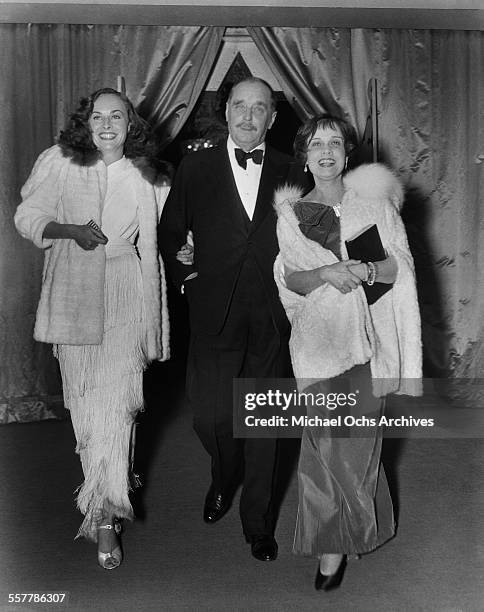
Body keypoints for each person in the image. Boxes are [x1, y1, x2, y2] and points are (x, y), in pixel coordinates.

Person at [14, 87, 170, 570]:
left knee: (120, 404)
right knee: (85, 406)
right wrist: (72, 230)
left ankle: (104, 516)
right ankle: (107, 493)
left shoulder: (152, 177)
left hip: (127, 288)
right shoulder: (60, 161)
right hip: (75, 292)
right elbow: (27, 217)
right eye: (98, 116)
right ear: (87, 122)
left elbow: (163, 236)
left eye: (116, 117)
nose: (106, 125)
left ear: (130, 125)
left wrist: (184, 253)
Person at [273, 114, 422, 589]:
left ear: (346, 153)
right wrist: (323, 275)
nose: (326, 152)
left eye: (335, 143)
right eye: (316, 144)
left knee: (357, 449)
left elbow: (400, 266)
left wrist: (362, 271)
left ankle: (348, 532)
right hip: (316, 345)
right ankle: (333, 545)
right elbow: (289, 280)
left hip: (369, 343)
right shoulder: (291, 216)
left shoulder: (375, 204)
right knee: (322, 450)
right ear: (304, 154)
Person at [159, 77, 302, 561]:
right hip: (212, 310)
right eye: (240, 106)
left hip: (272, 313)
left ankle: (258, 523)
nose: (248, 116)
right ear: (227, 112)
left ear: (272, 118)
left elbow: (315, 238)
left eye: (259, 108)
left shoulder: (292, 170)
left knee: (264, 419)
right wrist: (187, 276)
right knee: (213, 418)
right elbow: (171, 231)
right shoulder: (195, 167)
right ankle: (224, 476)